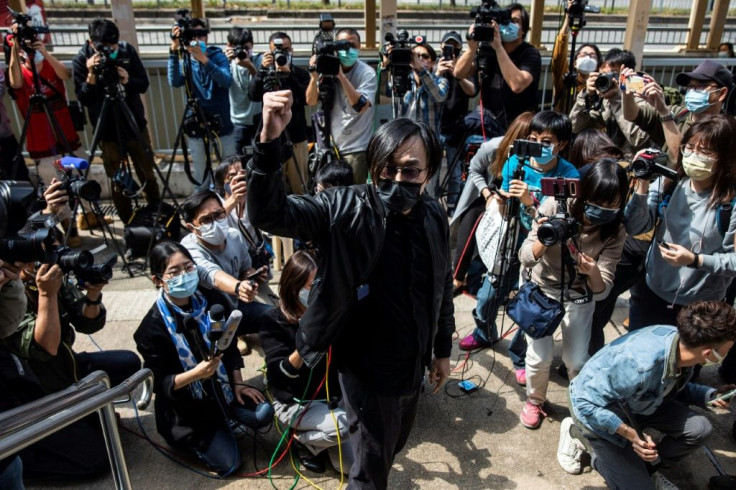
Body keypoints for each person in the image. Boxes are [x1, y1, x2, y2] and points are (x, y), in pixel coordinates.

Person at [248, 90, 454, 488]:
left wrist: (441, 350)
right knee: (370, 470)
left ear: (429, 172)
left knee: (389, 450)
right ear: (372, 166)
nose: (396, 180)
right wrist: (268, 141)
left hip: (412, 365)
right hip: (366, 368)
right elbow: (270, 214)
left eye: (410, 171)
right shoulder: (343, 207)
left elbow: (442, 286)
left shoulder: (432, 215)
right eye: (386, 169)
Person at [459, 111, 579, 389]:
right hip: (511, 233)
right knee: (491, 288)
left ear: (561, 145)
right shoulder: (517, 161)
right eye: (533, 138)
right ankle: (483, 331)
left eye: (546, 140)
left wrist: (528, 201)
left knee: (529, 300)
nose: (537, 145)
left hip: (542, 244)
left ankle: (519, 355)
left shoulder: (568, 175)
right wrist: (500, 199)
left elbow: (559, 223)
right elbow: (503, 198)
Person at [134, 241, 274, 476]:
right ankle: (192, 440)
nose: (184, 275)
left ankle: (227, 416)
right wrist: (196, 374)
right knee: (229, 465)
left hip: (223, 390)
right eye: (174, 272)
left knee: (263, 413)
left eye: (188, 268)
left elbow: (227, 346)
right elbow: (160, 382)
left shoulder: (210, 300)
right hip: (188, 411)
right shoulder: (151, 329)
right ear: (158, 280)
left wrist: (238, 383)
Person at [564, 300, 736, 488]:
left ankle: (644, 468)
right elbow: (585, 404)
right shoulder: (639, 365)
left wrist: (709, 395)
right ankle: (578, 437)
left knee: (700, 429)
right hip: (595, 413)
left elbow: (669, 387)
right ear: (708, 353)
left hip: (639, 405)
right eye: (727, 350)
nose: (727, 354)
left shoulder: (681, 344)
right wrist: (630, 434)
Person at [518, 159, 628, 430]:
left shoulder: (615, 230)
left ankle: (580, 403)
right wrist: (544, 240)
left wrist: (591, 272)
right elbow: (524, 256)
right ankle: (535, 400)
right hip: (542, 290)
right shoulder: (556, 204)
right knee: (538, 357)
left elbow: (603, 292)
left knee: (577, 360)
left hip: (580, 295)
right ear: (581, 192)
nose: (599, 211)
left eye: (610, 205)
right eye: (594, 201)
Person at [624, 114, 736, 330]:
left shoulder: (729, 204)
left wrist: (695, 260)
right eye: (689, 148)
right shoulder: (669, 182)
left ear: (725, 157)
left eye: (705, 152)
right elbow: (636, 226)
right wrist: (642, 184)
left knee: (678, 363)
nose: (694, 156)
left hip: (699, 308)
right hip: (650, 292)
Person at [260, 251, 353, 476]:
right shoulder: (273, 320)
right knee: (344, 426)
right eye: (311, 286)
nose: (319, 291)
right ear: (294, 288)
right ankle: (300, 441)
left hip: (331, 400)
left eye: (321, 284)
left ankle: (317, 442)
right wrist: (306, 342)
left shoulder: (332, 313)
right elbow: (279, 376)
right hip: (295, 401)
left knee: (349, 468)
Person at [73, 18, 161, 224]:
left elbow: (143, 84)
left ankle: (158, 217)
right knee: (118, 182)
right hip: (108, 132)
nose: (111, 51)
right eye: (105, 47)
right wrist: (91, 75)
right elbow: (84, 98)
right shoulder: (81, 60)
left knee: (147, 173)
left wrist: (127, 80)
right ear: (91, 42)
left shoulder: (126, 52)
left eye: (114, 46)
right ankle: (130, 225)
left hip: (134, 126)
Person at [6, 22, 81, 234]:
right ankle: (69, 227)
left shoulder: (48, 64)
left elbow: (65, 74)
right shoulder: (20, 70)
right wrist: (14, 48)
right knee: (54, 182)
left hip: (65, 137)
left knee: (76, 174)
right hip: (42, 142)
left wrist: (44, 53)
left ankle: (86, 214)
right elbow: (16, 83)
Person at [451, 111, 534, 297]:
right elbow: (474, 168)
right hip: (489, 193)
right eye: (529, 138)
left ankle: (495, 284)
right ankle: (458, 277)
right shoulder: (494, 147)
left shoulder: (537, 156)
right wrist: (487, 195)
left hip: (520, 201)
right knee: (471, 223)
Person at [180, 190, 271, 333]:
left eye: (218, 214)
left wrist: (253, 276)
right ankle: (229, 339)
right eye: (206, 220)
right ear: (192, 227)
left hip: (236, 306)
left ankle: (236, 332)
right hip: (211, 318)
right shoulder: (188, 251)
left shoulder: (234, 236)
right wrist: (238, 287)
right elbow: (213, 276)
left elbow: (244, 269)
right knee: (223, 346)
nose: (215, 222)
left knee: (279, 316)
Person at [168, 17, 236, 191]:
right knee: (201, 173)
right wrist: (173, 52)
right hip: (197, 125)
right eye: (193, 35)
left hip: (222, 125)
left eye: (202, 34)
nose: (198, 40)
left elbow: (227, 81)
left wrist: (205, 61)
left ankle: (233, 206)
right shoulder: (186, 60)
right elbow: (175, 81)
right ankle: (203, 209)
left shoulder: (217, 55)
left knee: (230, 172)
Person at [623, 60, 734, 163]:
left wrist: (664, 114)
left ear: (722, 93)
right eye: (690, 86)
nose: (693, 91)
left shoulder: (726, 129)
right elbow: (631, 115)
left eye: (701, 86)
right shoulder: (678, 113)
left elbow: (682, 159)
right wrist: (627, 93)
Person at [454, 2, 541, 130]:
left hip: (518, 128)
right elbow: (459, 73)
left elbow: (517, 85)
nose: (508, 24)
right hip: (489, 125)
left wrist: (499, 47)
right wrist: (472, 48)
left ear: (523, 30)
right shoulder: (488, 50)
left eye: (514, 21)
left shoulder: (530, 53)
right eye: (505, 20)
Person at [306, 28, 377, 184]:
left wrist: (340, 75)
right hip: (329, 147)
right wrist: (314, 77)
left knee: (354, 196)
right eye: (343, 46)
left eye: (353, 45)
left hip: (356, 149)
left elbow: (359, 106)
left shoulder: (367, 72)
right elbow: (311, 101)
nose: (348, 50)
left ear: (360, 47)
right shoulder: (325, 68)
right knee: (331, 196)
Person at [250, 32, 310, 195]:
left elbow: (307, 99)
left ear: (292, 50)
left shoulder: (299, 73)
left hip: (297, 137)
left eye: (286, 50)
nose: (282, 54)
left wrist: (289, 74)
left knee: (301, 187)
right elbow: (253, 95)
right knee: (274, 188)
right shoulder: (266, 73)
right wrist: (262, 69)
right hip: (272, 139)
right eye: (278, 51)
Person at [213, 157, 276, 307]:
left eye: (242, 174)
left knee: (273, 308)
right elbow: (213, 223)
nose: (238, 179)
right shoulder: (217, 203)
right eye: (231, 176)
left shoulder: (254, 199)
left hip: (253, 266)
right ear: (222, 183)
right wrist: (234, 198)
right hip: (229, 269)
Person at [570, 48, 652, 160]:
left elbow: (638, 138)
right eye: (603, 75)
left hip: (634, 165)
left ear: (629, 73)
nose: (609, 80)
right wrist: (586, 95)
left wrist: (617, 98)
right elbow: (574, 127)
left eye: (613, 75)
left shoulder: (643, 96)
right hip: (608, 163)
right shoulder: (604, 98)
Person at [437, 31, 478, 213]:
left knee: (455, 173)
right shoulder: (434, 65)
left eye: (455, 47)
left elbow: (472, 91)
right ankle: (432, 204)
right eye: (447, 46)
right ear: (441, 47)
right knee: (433, 170)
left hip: (457, 126)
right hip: (436, 125)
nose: (451, 50)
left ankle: (452, 208)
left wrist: (457, 72)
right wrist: (438, 73)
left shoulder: (466, 66)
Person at [551, 1, 601, 112]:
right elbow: (558, 57)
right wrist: (568, 18)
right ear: (574, 62)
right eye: (583, 54)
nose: (588, 57)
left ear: (598, 64)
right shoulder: (566, 80)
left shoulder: (601, 85)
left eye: (592, 56)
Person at [225, 27, 260, 155]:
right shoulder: (226, 63)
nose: (243, 52)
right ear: (229, 46)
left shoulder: (259, 60)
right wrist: (226, 61)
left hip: (258, 118)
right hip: (238, 122)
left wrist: (250, 66)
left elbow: (261, 87)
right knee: (241, 161)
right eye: (238, 48)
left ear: (252, 45)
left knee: (261, 160)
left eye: (246, 47)